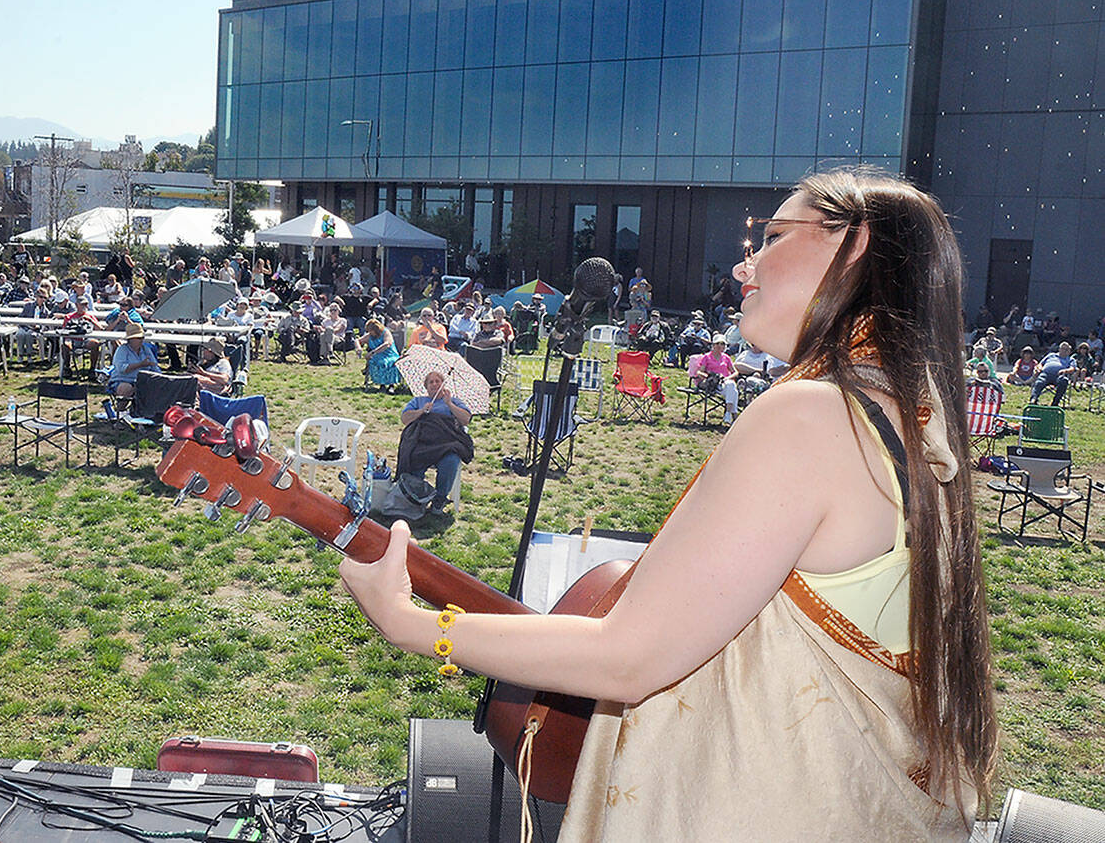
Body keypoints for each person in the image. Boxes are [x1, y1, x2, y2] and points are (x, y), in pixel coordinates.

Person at [339, 168, 995, 841]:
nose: (747, 265)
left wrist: (411, 623)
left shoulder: (811, 414)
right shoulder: (907, 412)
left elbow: (630, 655)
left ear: (852, 246)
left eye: (772, 236)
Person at [397, 370, 473, 515]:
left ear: (443, 384)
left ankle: (440, 499)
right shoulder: (418, 401)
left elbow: (466, 419)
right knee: (413, 457)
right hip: (423, 442)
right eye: (431, 382)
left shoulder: (454, 400)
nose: (434, 384)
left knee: (451, 460)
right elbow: (405, 419)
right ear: (426, 387)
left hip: (446, 442)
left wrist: (449, 404)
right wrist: (421, 411)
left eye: (438, 381)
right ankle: (416, 496)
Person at [688, 333, 741, 424]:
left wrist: (727, 377)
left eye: (723, 344)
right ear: (713, 345)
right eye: (718, 343)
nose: (721, 346)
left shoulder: (726, 358)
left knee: (731, 385)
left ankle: (728, 413)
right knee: (733, 391)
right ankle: (733, 415)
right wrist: (707, 376)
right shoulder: (707, 357)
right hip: (713, 384)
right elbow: (699, 371)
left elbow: (735, 372)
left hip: (725, 383)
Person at [108, 320, 160, 399]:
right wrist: (141, 364)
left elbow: (155, 368)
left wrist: (161, 378)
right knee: (126, 388)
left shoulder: (146, 349)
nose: (142, 340)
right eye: (139, 338)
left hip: (143, 381)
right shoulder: (122, 350)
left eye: (142, 337)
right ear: (131, 339)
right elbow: (122, 369)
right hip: (123, 380)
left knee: (160, 387)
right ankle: (121, 410)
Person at [61, 297, 103, 376]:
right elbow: (64, 331)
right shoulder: (69, 317)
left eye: (86, 304)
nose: (85, 306)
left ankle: (92, 369)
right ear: (77, 305)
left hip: (86, 339)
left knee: (95, 343)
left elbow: (100, 329)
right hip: (73, 339)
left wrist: (91, 320)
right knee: (65, 345)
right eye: (82, 304)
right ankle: (67, 367)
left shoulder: (90, 316)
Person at [1029, 341, 1076, 405]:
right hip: (1046, 374)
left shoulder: (1070, 359)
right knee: (1039, 382)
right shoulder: (1051, 355)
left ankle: (1055, 402)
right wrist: (1039, 368)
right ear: (1059, 349)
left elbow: (1072, 369)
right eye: (1062, 348)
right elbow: (1040, 363)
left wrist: (1065, 371)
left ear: (1069, 351)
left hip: (1059, 375)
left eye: (1066, 349)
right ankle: (1033, 399)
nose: (1064, 351)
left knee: (1064, 381)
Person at [364, 318, 403, 391]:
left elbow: (387, 344)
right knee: (378, 362)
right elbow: (358, 340)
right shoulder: (370, 336)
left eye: (371, 331)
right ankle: (382, 384)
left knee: (390, 362)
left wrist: (373, 352)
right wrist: (358, 348)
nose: (370, 333)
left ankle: (391, 385)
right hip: (378, 355)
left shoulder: (386, 332)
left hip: (390, 354)